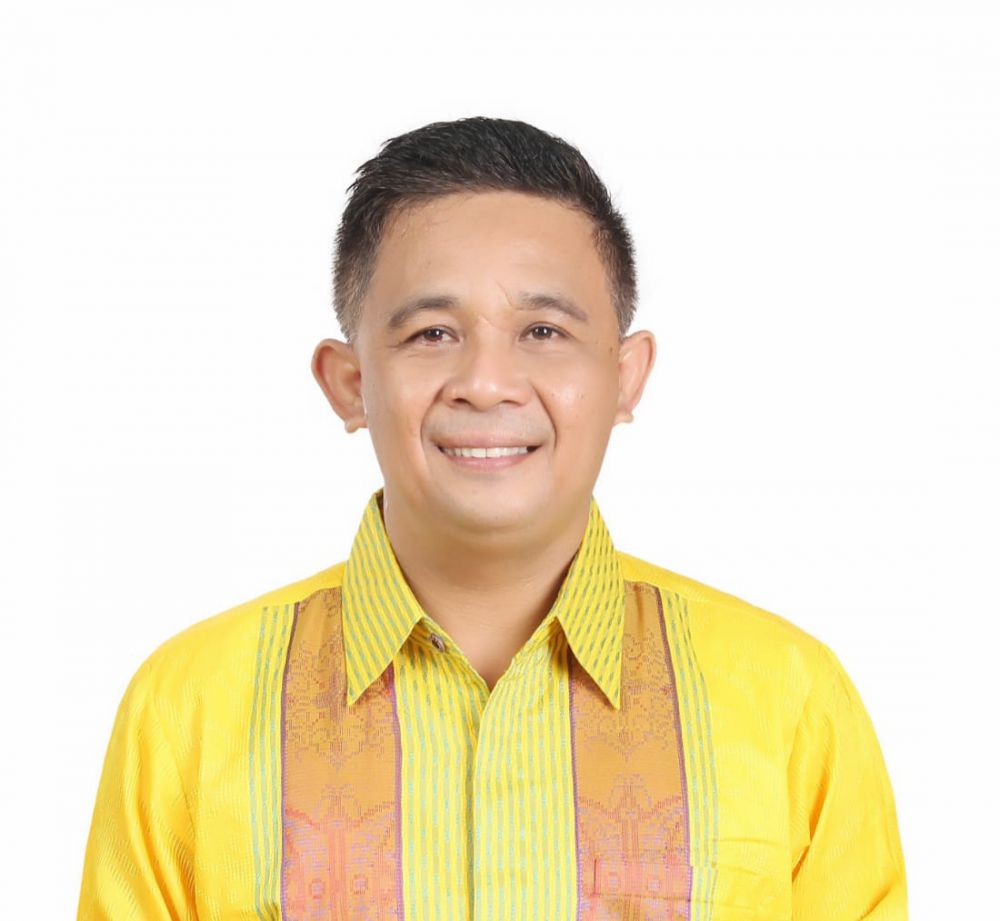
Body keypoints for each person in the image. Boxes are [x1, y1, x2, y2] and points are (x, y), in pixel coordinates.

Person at [77, 116, 907, 920]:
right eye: (432, 333)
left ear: (625, 376)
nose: (486, 382)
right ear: (350, 383)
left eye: (542, 329)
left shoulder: (787, 699)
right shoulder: (190, 709)